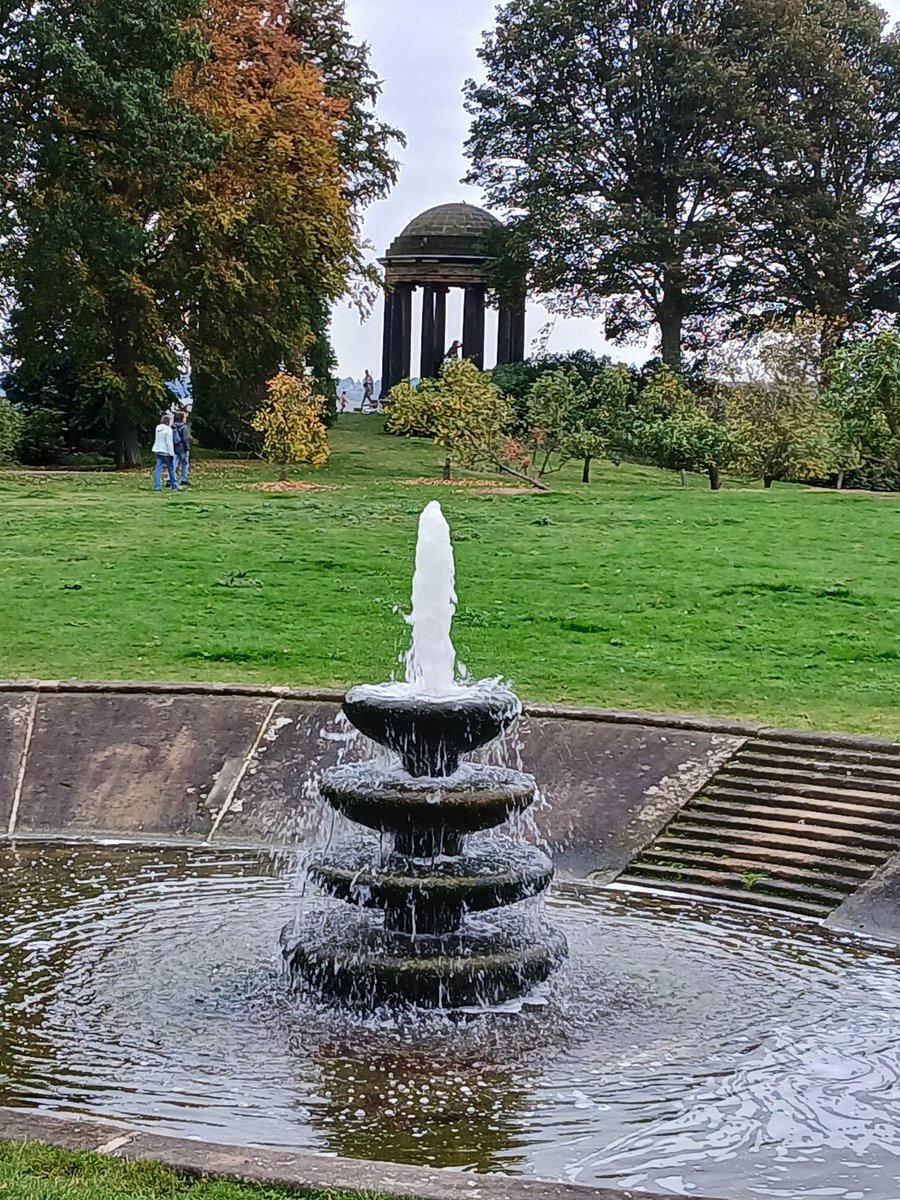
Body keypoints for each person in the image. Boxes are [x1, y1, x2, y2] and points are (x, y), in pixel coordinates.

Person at [152, 414, 178, 492]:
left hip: (157, 450)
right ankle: (174, 485)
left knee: (158, 469)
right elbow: (168, 442)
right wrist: (171, 453)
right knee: (171, 468)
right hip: (166, 451)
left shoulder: (158, 428)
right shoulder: (168, 430)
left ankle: (157, 486)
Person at [172, 411, 190, 486]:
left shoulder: (172, 426)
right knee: (185, 463)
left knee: (173, 463)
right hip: (182, 448)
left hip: (173, 447)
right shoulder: (184, 427)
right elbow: (185, 439)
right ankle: (183, 479)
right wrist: (187, 448)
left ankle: (170, 478)